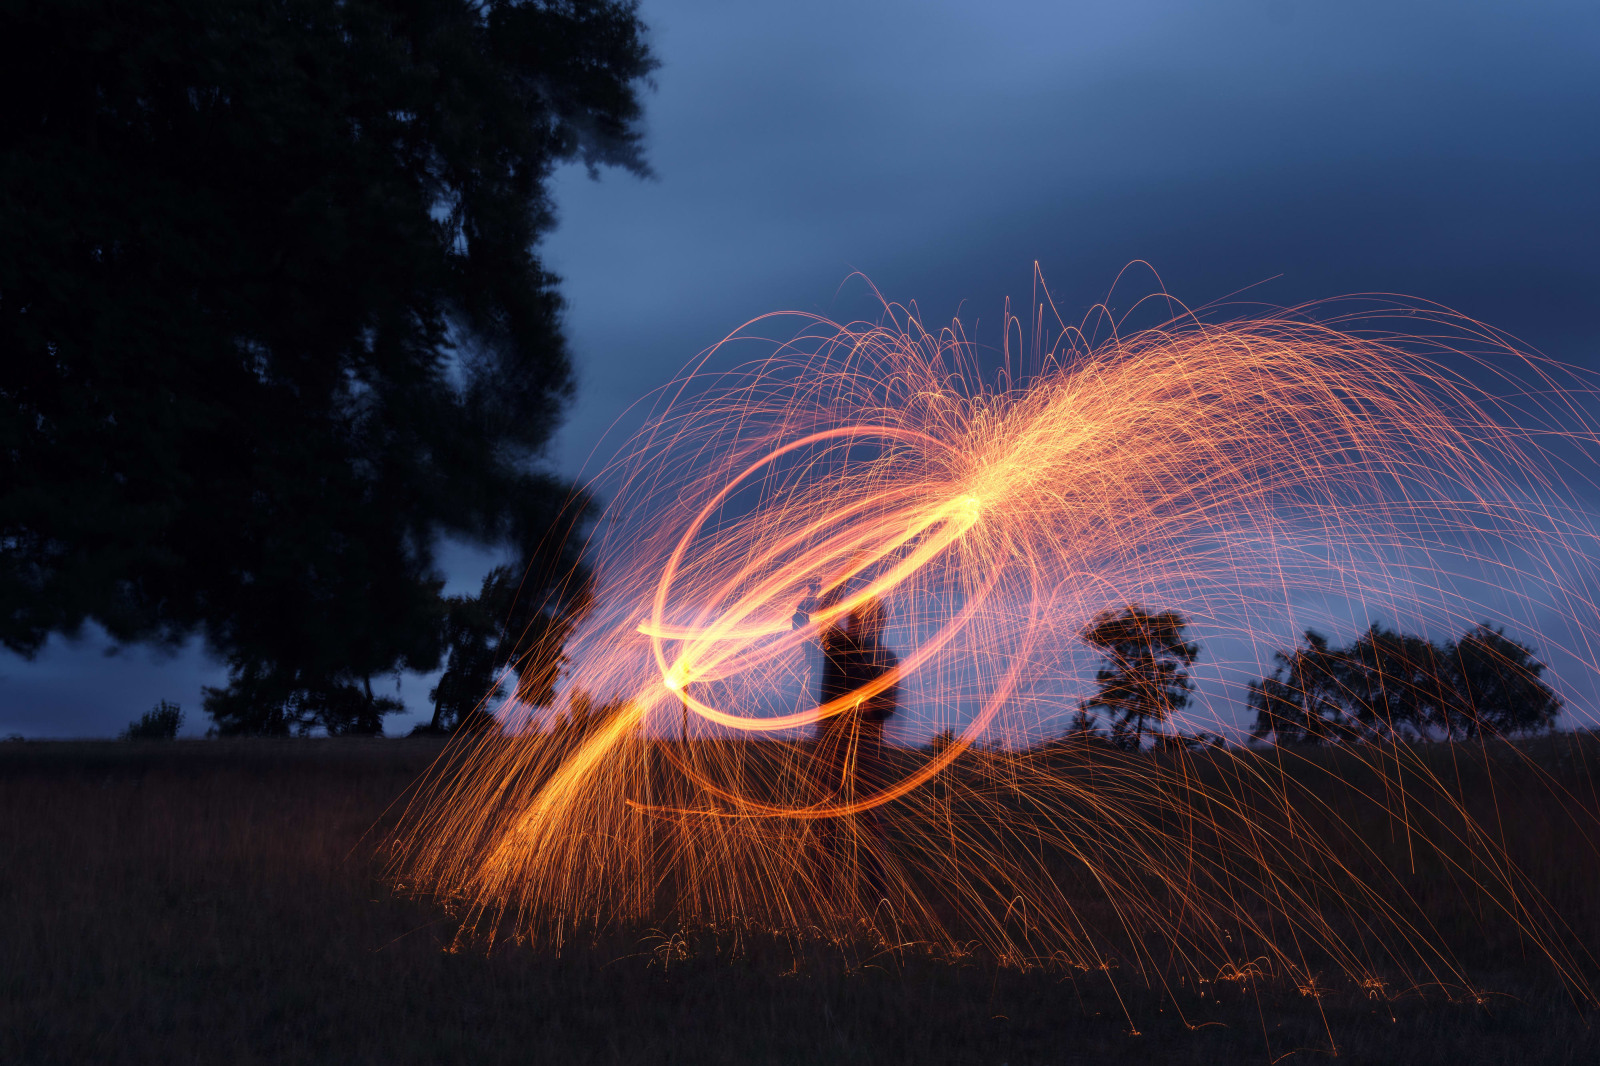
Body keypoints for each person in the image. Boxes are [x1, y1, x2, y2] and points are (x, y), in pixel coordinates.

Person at [810, 593, 899, 902]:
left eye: (863, 618)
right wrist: (833, 589)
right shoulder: (838, 648)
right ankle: (822, 896)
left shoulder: (885, 659)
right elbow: (822, 620)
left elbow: (888, 708)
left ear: (878, 623)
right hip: (833, 746)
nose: (856, 623)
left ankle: (876, 897)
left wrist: (863, 708)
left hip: (866, 749)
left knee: (872, 823)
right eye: (854, 618)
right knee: (826, 821)